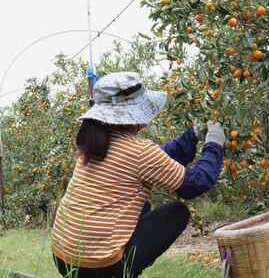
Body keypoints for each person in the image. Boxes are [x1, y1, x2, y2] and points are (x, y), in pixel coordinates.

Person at [51, 72, 225, 278]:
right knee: (177, 213)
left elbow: (158, 160)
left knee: (144, 206)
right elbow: (195, 184)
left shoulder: (94, 146)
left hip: (64, 257)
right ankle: (124, 272)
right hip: (99, 268)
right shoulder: (138, 151)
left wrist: (192, 135)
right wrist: (214, 145)